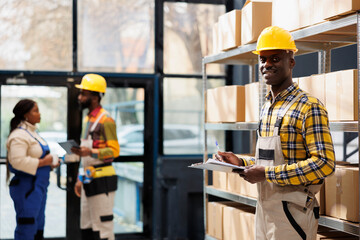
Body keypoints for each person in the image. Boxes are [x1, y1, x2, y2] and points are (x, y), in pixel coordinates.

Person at [216, 26, 335, 240]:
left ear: (291, 61)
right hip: (264, 209)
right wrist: (240, 162)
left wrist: (267, 175)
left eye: (275, 58)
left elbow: (324, 164)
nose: (267, 65)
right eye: (263, 59)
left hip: (294, 213)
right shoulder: (267, 107)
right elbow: (268, 161)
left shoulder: (309, 106)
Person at [71, 73, 120, 240]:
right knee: (87, 226)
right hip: (88, 179)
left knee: (103, 228)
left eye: (83, 93)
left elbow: (114, 151)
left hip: (102, 182)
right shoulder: (88, 119)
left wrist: (91, 152)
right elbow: (85, 153)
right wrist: (79, 177)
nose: (79, 97)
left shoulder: (107, 120)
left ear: (94, 96)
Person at [6, 99, 60, 240]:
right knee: (27, 226)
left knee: (38, 226)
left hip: (39, 188)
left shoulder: (34, 134)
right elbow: (17, 162)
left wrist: (51, 163)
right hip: (26, 189)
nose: (39, 114)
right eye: (35, 111)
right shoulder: (19, 135)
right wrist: (44, 162)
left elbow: (38, 158)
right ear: (25, 115)